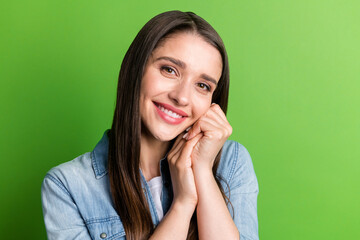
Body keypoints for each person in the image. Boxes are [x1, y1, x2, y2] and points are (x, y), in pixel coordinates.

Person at [41, 10, 259, 240]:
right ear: (136, 70)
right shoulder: (68, 186)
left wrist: (202, 172)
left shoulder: (232, 164)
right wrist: (183, 204)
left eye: (203, 85)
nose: (182, 97)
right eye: (169, 70)